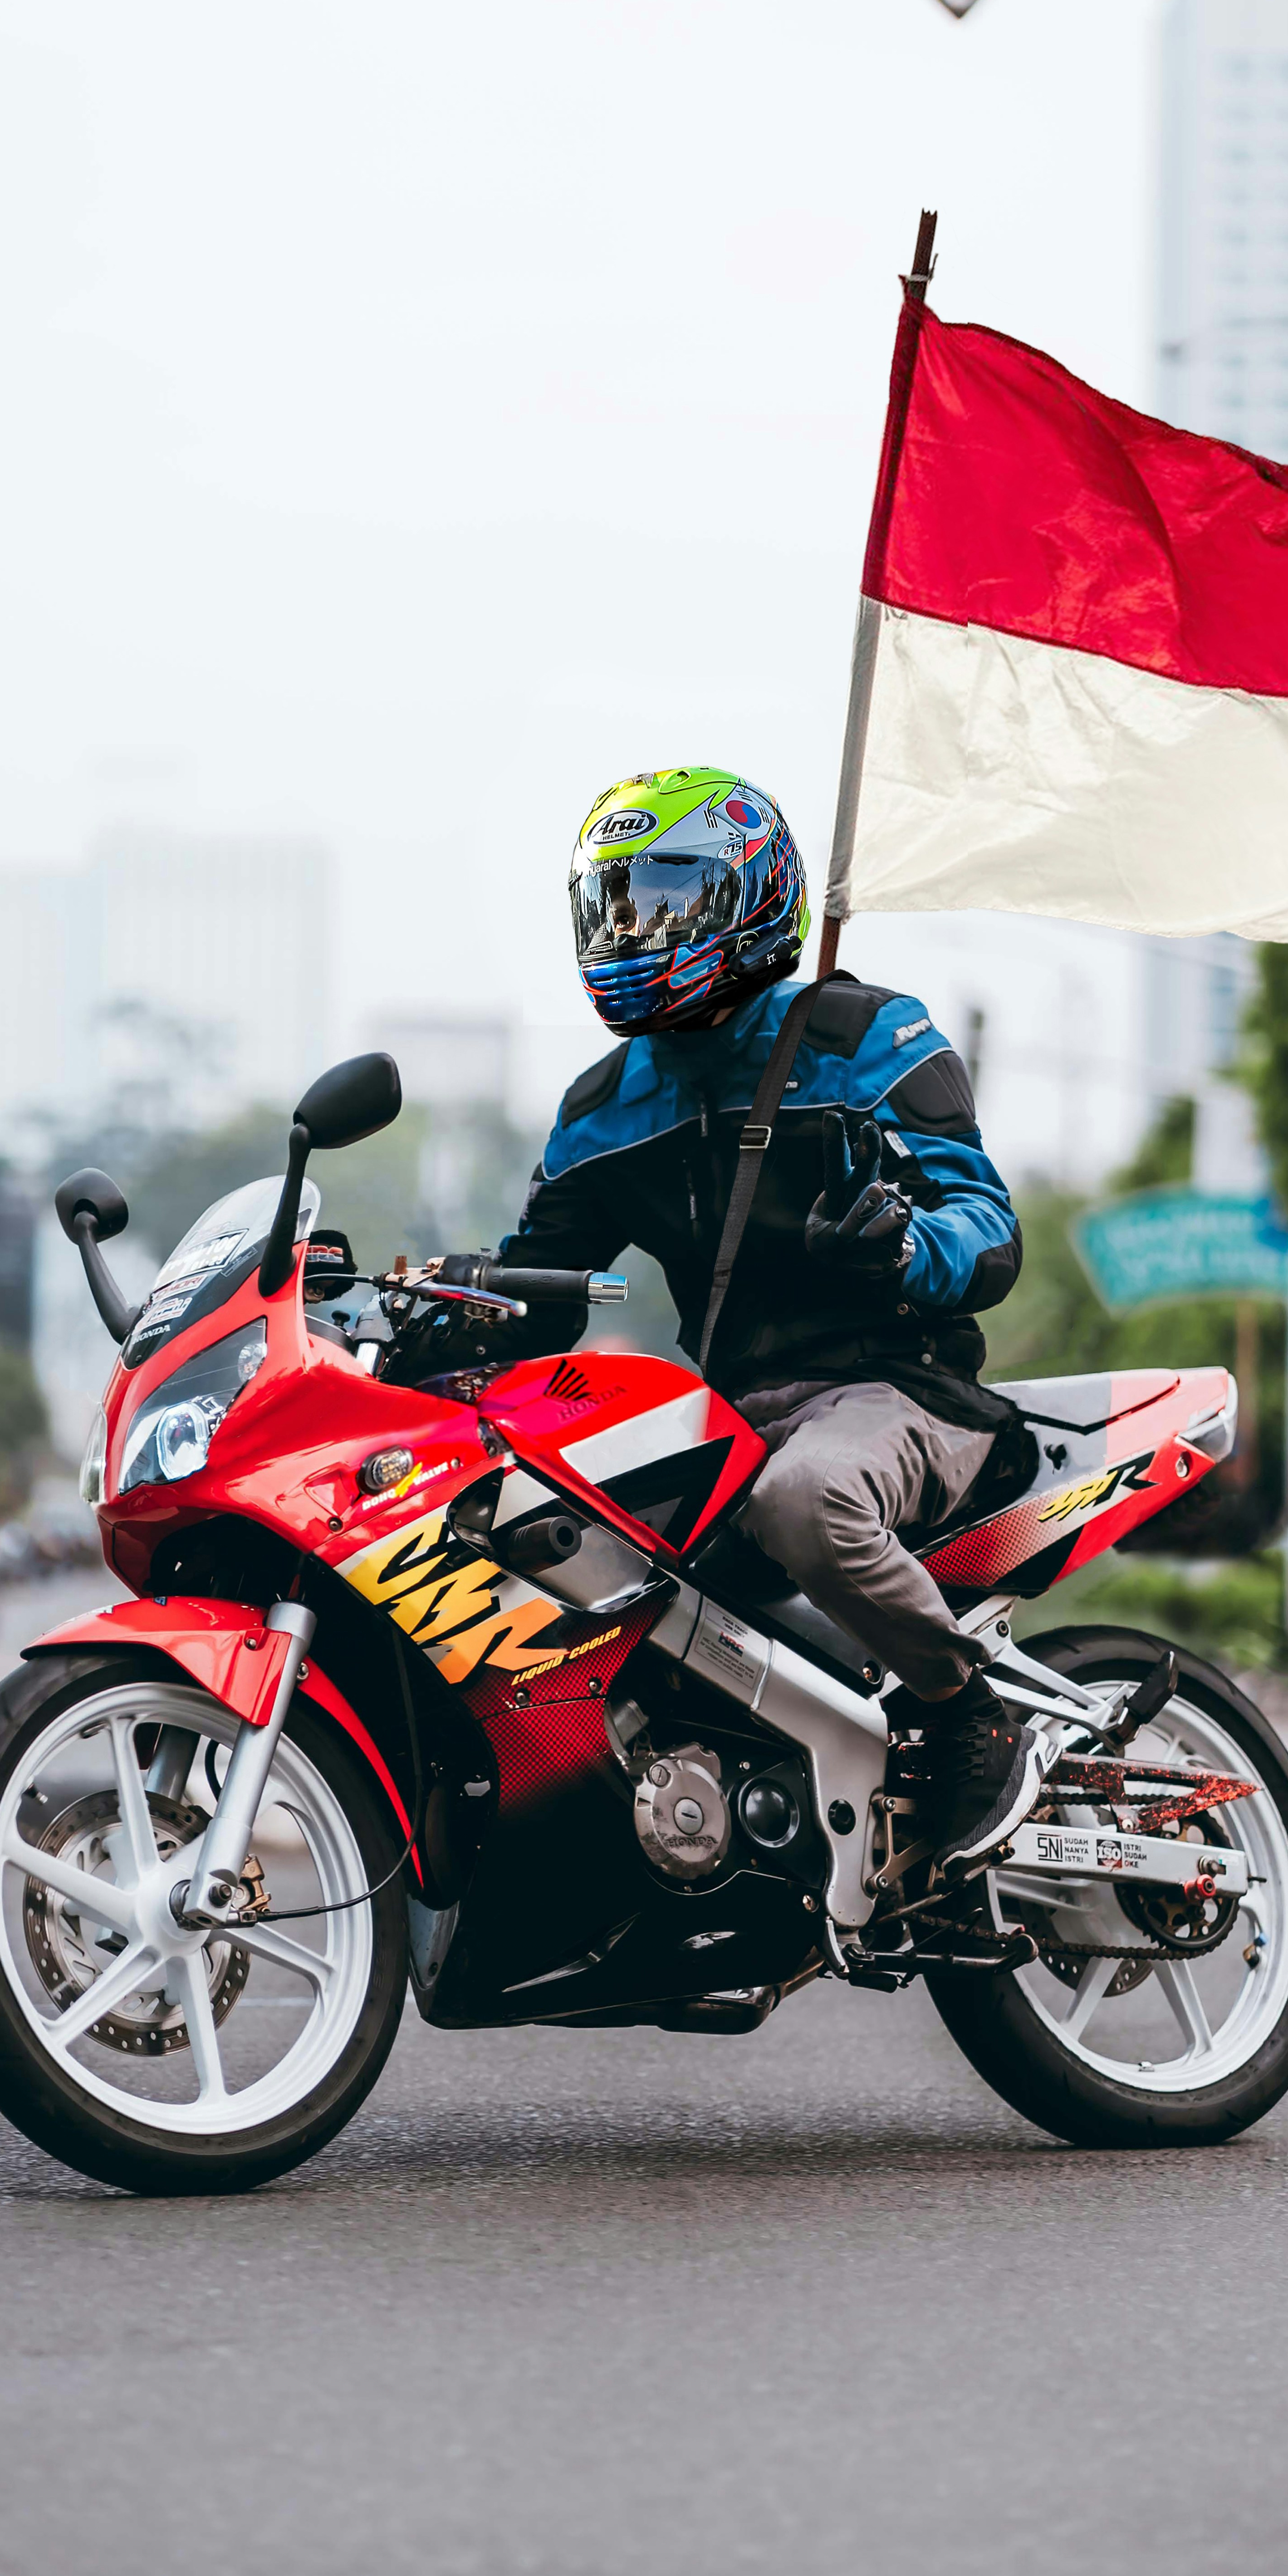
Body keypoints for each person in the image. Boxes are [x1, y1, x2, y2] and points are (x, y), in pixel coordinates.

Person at [429, 767, 1042, 1864]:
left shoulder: (867, 1037)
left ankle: (966, 1711)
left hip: (899, 1392)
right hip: (725, 1419)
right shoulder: (601, 1108)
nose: (629, 930)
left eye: (660, 898)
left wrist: (908, 1248)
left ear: (750, 895)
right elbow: (535, 1299)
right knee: (536, 1537)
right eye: (611, 904)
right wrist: (423, 1317)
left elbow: (988, 1231)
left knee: (807, 1498)